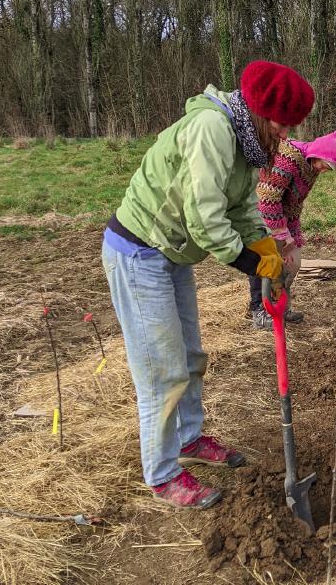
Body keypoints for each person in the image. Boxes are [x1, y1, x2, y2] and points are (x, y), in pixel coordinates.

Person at [101, 61, 315, 509]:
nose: (285, 133)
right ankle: (161, 475)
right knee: (162, 371)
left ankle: (189, 439)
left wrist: (272, 246)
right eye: (281, 123)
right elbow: (205, 221)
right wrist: (252, 264)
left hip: (171, 253)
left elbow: (239, 208)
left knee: (192, 356)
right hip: (139, 252)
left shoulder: (246, 143)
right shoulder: (212, 130)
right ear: (259, 111)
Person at [249, 131, 336, 329]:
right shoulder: (288, 159)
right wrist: (282, 235)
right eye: (327, 165)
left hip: (282, 218)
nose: (324, 171)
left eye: (330, 169)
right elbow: (267, 201)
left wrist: (293, 237)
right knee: (263, 262)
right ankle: (258, 311)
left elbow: (293, 204)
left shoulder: (311, 166)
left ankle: (279, 307)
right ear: (320, 154)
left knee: (293, 263)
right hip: (257, 214)